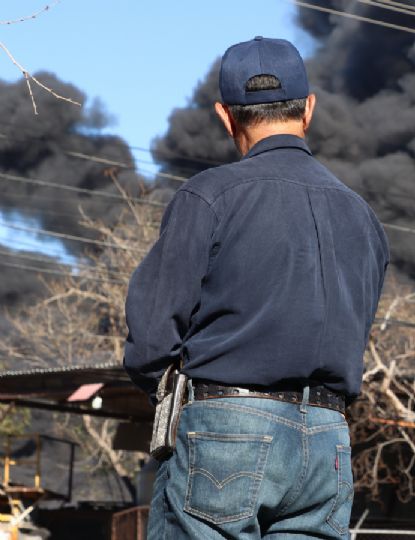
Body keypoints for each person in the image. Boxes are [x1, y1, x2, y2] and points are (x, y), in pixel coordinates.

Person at [123, 36, 389, 539]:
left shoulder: (208, 197)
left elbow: (151, 342)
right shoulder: (363, 216)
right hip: (327, 438)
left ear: (225, 117)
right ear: (308, 109)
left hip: (228, 430)